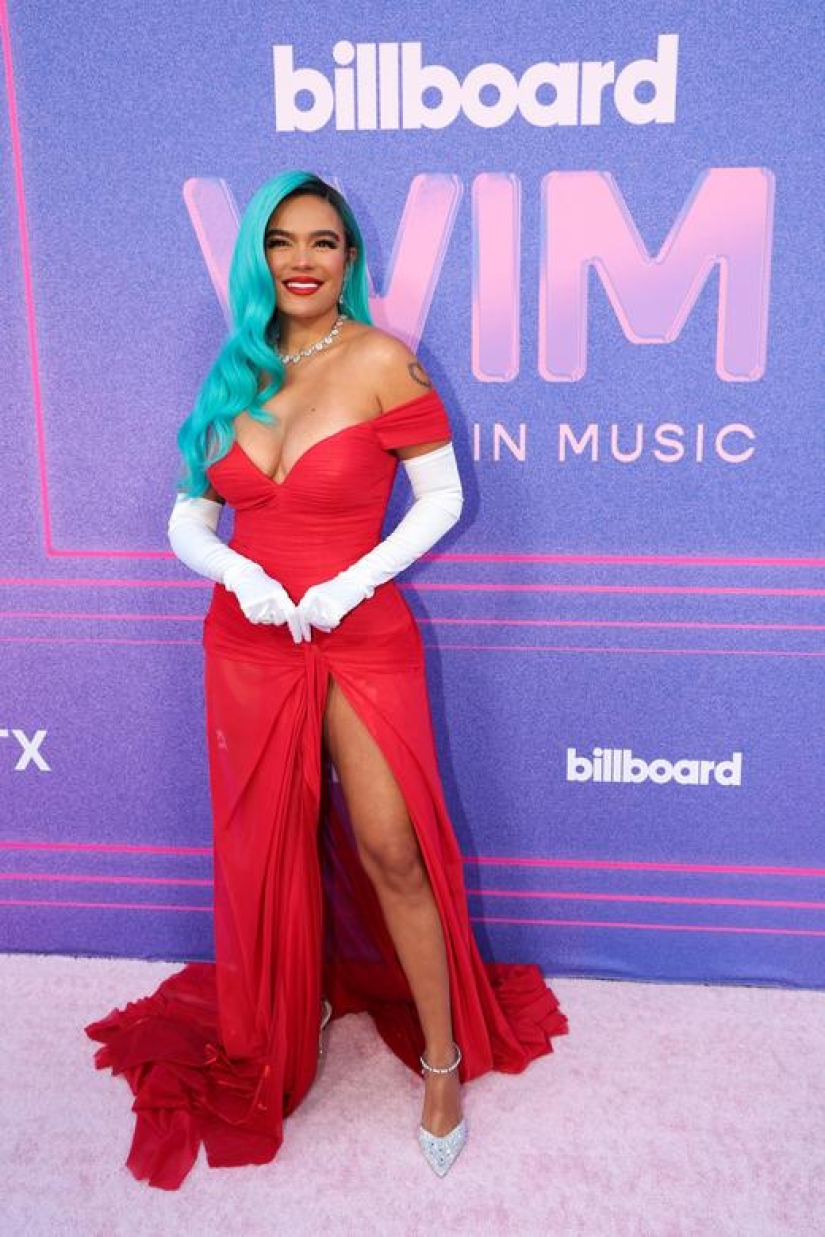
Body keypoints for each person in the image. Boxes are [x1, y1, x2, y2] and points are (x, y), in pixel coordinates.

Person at [85, 171, 568, 1189]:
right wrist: (238, 573)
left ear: (352, 259)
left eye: (325, 242)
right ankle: (290, 1013)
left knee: (390, 846)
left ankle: (441, 1060)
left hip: (361, 632)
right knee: (274, 849)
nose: (303, 259)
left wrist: (353, 578)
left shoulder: (387, 360)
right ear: (257, 257)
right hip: (249, 641)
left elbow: (440, 497)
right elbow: (187, 515)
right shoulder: (235, 371)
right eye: (282, 241)